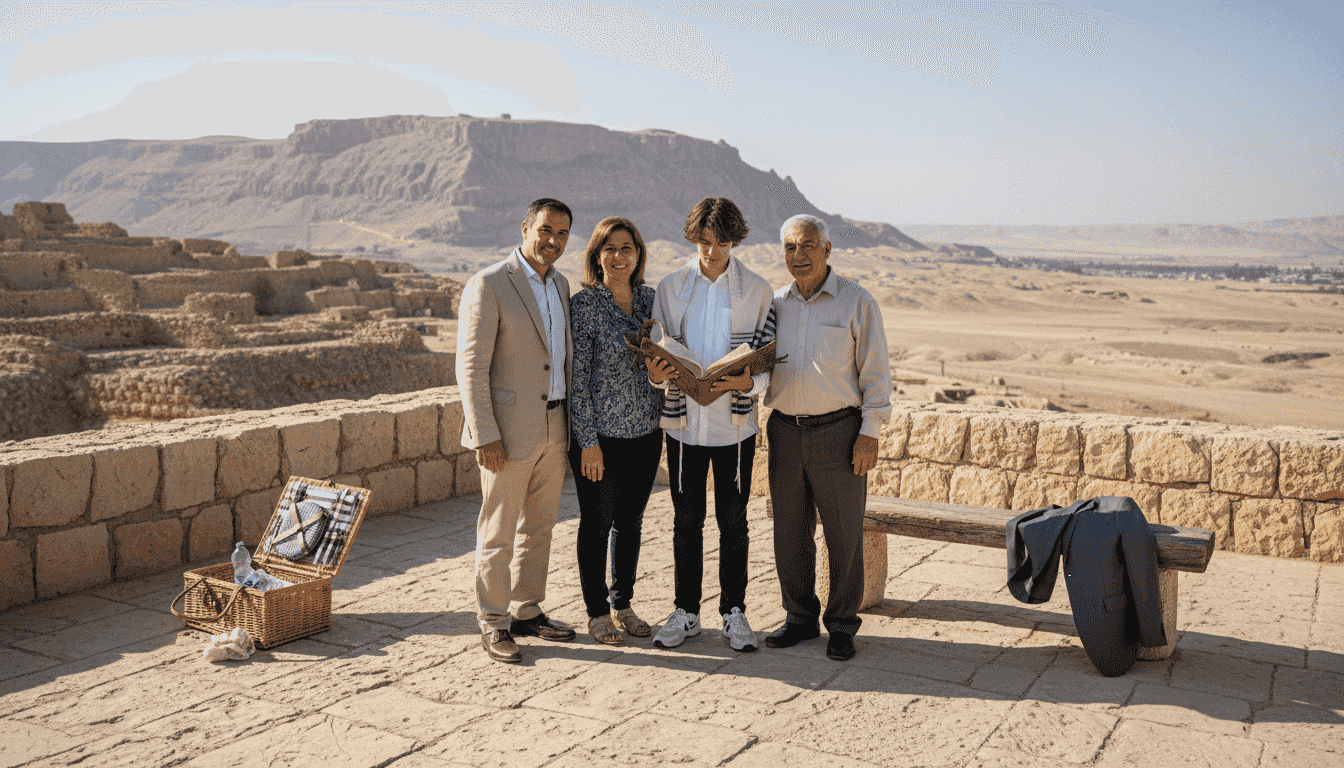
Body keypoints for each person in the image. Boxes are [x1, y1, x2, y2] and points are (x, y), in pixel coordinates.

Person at [645, 197, 775, 652]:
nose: (712, 251)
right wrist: (657, 374)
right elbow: (658, 350)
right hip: (683, 426)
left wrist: (749, 380)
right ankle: (686, 612)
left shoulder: (758, 290)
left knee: (734, 519)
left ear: (735, 241)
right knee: (686, 519)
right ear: (693, 239)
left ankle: (734, 612)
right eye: (704, 242)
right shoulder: (671, 285)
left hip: (734, 428)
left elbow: (766, 357)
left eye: (721, 242)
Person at [763, 213, 891, 662]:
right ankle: (798, 619)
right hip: (783, 432)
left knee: (843, 534)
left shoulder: (857, 302)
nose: (798, 256)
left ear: (827, 250)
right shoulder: (774, 303)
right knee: (789, 533)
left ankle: (841, 625)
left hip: (839, 433)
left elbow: (876, 375)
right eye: (790, 248)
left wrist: (869, 434)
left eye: (807, 246)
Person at [457, 198, 579, 664]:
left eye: (563, 234)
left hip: (554, 423)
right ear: (525, 226)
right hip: (506, 431)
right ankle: (493, 620)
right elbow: (470, 365)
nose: (554, 241)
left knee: (541, 527)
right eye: (546, 230)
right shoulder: (489, 283)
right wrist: (483, 431)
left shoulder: (561, 285)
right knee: (498, 530)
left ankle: (528, 609)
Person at [567, 217, 664, 645]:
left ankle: (623, 604)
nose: (619, 256)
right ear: (596, 256)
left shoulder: (651, 301)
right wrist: (587, 442)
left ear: (638, 254)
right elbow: (578, 379)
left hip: (646, 434)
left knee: (631, 522)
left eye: (627, 248)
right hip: (600, 440)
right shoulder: (585, 305)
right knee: (596, 523)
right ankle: (596, 613)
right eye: (610, 248)